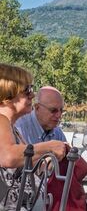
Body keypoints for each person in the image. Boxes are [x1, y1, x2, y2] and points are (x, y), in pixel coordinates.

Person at [16, 85, 87, 211]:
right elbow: (24, 168)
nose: (59, 115)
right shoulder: (20, 127)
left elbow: (69, 167)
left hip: (54, 195)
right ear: (37, 108)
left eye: (61, 111)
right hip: (31, 199)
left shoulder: (57, 132)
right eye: (53, 110)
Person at [0, 63, 66, 210]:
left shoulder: (13, 129)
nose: (33, 95)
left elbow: (31, 167)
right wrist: (49, 146)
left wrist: (51, 159)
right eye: (27, 90)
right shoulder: (1, 120)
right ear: (7, 95)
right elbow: (8, 156)